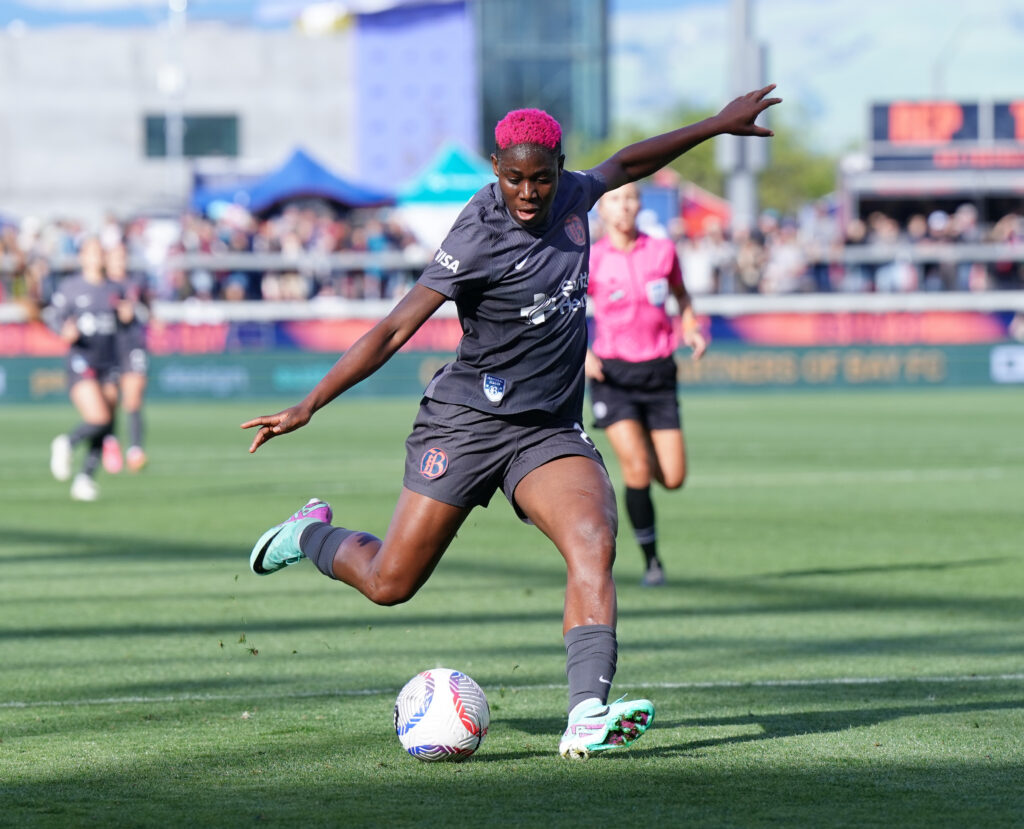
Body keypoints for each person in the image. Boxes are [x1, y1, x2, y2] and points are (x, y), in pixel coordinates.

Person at [242, 85, 780, 759]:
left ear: (559, 167)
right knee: (389, 582)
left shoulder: (577, 198)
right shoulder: (476, 236)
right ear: (495, 167)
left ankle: (586, 710)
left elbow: (628, 162)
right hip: (464, 423)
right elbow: (392, 330)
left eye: (543, 178)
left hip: (546, 430)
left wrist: (716, 125)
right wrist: (308, 403)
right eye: (515, 177)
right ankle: (312, 533)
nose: (529, 192)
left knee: (593, 538)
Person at [585, 182, 707, 588]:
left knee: (672, 478)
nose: (624, 207)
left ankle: (648, 446)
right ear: (601, 210)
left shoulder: (662, 251)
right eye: (615, 200)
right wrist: (582, 353)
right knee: (635, 468)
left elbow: (681, 296)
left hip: (658, 373)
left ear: (640, 205)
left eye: (631, 198)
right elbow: (562, 311)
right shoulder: (590, 258)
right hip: (612, 375)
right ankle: (652, 562)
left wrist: (689, 327)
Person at [46, 236, 123, 501]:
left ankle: (85, 479)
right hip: (82, 360)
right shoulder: (71, 287)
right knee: (99, 418)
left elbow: (126, 321)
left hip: (110, 361)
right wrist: (63, 330)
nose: (96, 257)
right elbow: (54, 317)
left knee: (107, 423)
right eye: (91, 253)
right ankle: (66, 443)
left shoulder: (115, 288)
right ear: (82, 257)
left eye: (100, 252)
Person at [106, 239, 151, 472]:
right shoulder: (102, 285)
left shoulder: (136, 281)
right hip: (110, 346)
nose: (120, 261)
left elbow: (147, 305)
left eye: (123, 256)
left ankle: (135, 449)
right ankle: (110, 442)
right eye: (115, 257)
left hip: (133, 344)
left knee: (133, 398)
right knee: (109, 401)